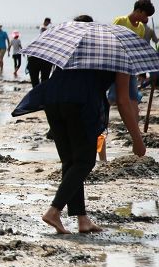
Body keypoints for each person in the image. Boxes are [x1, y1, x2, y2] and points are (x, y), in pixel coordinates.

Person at [13, 45, 147, 235]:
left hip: (52, 99)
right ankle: (54, 211)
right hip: (81, 104)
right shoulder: (119, 56)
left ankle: (82, 219)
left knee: (70, 162)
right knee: (84, 161)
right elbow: (124, 101)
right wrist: (137, 139)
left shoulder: (66, 51)